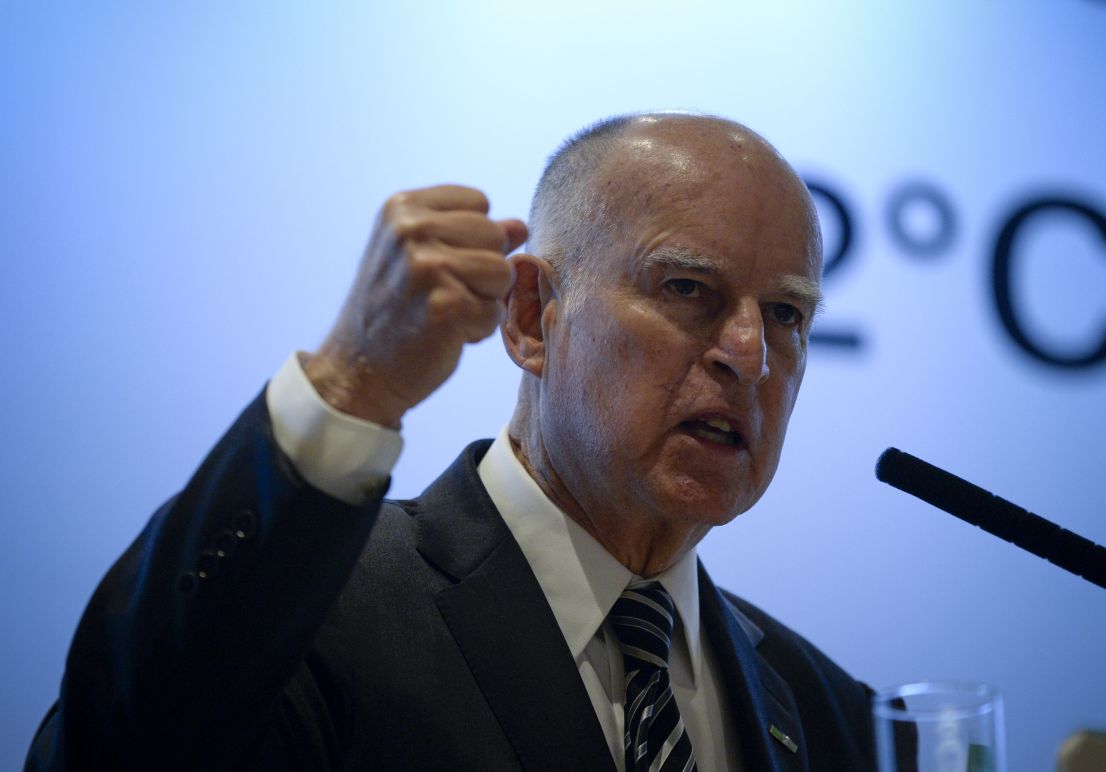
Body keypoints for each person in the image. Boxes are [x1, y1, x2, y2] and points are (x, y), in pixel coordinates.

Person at [27, 113, 880, 771]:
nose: (748, 354)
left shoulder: (828, 709)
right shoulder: (308, 617)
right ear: (529, 317)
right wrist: (352, 385)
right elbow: (121, 745)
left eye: (786, 314)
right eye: (688, 287)